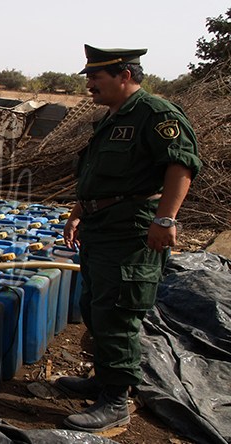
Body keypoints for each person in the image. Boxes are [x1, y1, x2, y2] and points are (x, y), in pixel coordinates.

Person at [58, 45, 202, 432]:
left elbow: (181, 165)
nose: (90, 85)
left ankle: (116, 401)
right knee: (95, 305)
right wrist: (77, 213)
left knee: (118, 313)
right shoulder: (112, 117)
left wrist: (166, 217)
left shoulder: (156, 115)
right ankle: (105, 379)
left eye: (96, 78)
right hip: (100, 227)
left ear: (124, 75)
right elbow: (97, 176)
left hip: (130, 231)